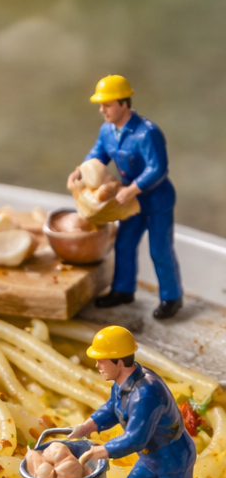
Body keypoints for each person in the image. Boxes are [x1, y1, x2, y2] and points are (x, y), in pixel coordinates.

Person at [70, 324, 210, 478]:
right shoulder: (124, 382)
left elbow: (136, 438)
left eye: (101, 360)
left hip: (173, 458)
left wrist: (101, 451)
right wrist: (87, 426)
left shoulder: (146, 394)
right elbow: (112, 406)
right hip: (152, 457)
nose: (97, 365)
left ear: (119, 361)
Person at [69, 75, 183, 321]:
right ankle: (122, 289)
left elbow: (157, 168)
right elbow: (97, 154)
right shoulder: (107, 130)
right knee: (123, 244)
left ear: (123, 104)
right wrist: (79, 171)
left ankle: (171, 297)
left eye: (107, 105)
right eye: (101, 105)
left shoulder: (147, 133)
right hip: (128, 204)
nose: (102, 110)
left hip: (156, 201)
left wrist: (131, 189)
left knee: (159, 249)